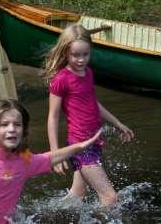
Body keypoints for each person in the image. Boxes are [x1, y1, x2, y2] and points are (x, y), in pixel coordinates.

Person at [44, 24, 134, 207]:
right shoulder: (61, 80)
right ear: (65, 52)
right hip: (80, 146)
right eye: (75, 55)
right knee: (110, 198)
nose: (81, 60)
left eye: (85, 54)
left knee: (77, 196)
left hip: (93, 141)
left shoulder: (88, 73)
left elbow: (93, 104)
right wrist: (55, 155)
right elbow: (52, 117)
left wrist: (117, 123)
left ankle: (45, 213)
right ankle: (103, 219)